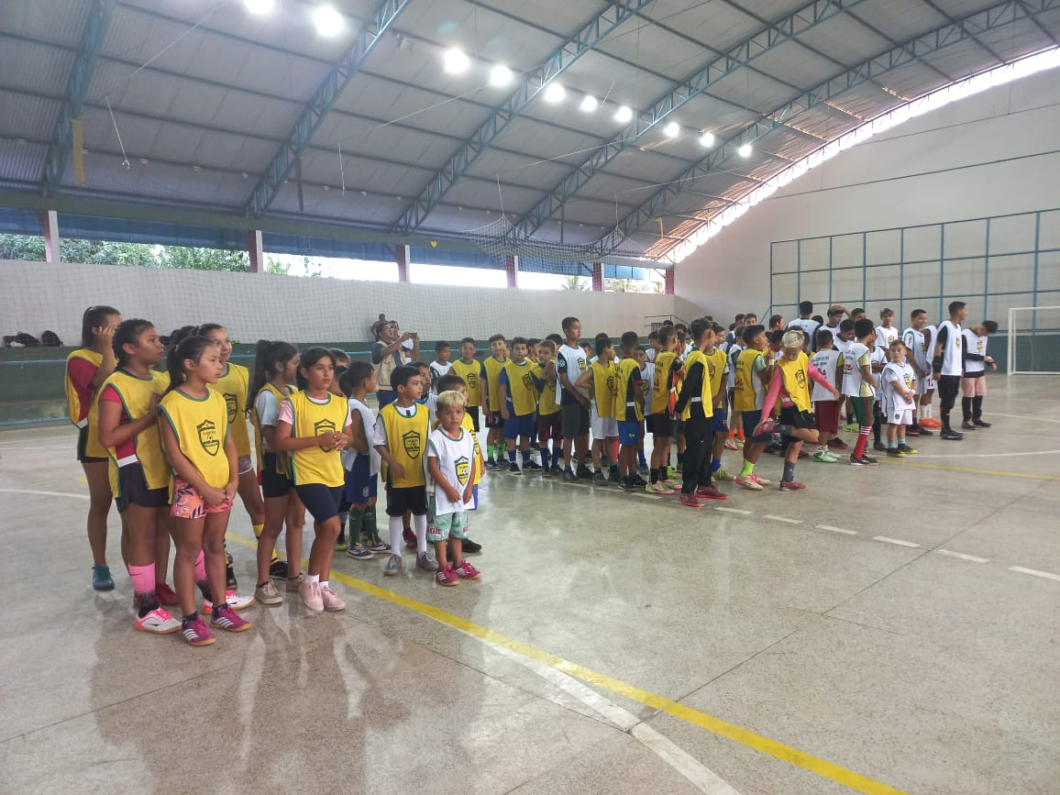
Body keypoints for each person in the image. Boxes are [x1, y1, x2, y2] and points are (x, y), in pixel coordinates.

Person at [159, 335, 251, 645]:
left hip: (221, 486)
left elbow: (227, 442)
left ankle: (220, 608)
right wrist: (204, 488)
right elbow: (175, 457)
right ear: (189, 364)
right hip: (191, 488)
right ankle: (190, 617)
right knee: (188, 550)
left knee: (215, 546)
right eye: (212, 359)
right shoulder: (172, 403)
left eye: (220, 359)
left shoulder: (216, 399)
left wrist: (234, 480)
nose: (220, 364)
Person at [96, 319, 180, 635]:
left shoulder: (161, 379)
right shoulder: (115, 385)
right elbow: (107, 437)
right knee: (142, 535)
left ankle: (158, 584)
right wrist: (149, 417)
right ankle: (146, 605)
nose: (160, 344)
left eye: (159, 339)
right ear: (130, 348)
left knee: (163, 531)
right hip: (134, 468)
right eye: (151, 339)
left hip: (164, 468)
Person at [275, 348, 351, 614]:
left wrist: (343, 439)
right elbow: (281, 441)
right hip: (307, 474)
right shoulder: (293, 403)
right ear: (305, 372)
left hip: (334, 474)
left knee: (324, 531)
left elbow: (350, 435)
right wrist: (318, 440)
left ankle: (323, 585)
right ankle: (309, 582)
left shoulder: (341, 403)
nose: (327, 373)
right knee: (332, 527)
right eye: (320, 368)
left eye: (330, 368)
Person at [198, 324, 263, 590]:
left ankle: (270, 559)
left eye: (227, 341)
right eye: (217, 342)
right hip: (210, 457)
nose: (225, 347)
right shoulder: (199, 376)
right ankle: (222, 560)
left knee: (256, 506)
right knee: (216, 515)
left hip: (240, 453)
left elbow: (250, 410)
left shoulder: (241, 373)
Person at [66, 305, 122, 590]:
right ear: (96, 330)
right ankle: (100, 566)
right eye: (114, 327)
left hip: (125, 438)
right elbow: (104, 381)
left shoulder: (121, 354)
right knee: (101, 503)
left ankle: (141, 568)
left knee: (131, 508)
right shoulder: (79, 358)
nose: (118, 331)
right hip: (95, 440)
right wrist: (108, 347)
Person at [248, 340, 306, 606]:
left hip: (295, 463)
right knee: (273, 525)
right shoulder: (267, 395)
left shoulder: (293, 391)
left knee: (297, 520)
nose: (299, 367)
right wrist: (307, 442)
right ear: (280, 366)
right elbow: (274, 439)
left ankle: (294, 575)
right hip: (275, 466)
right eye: (295, 363)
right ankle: (263, 582)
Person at [756, 330, 839, 490]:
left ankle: (786, 480)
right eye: (787, 352)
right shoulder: (780, 368)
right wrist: (764, 417)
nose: (790, 356)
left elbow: (814, 374)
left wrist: (830, 388)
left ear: (801, 348)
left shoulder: (803, 357)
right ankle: (774, 427)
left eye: (794, 353)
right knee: (814, 435)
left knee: (796, 445)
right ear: (782, 347)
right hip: (792, 408)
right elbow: (772, 394)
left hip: (803, 405)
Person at [374, 365, 433, 576]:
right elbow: (378, 442)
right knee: (395, 514)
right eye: (415, 383)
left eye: (421, 383)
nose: (421, 386)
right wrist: (392, 462)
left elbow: (430, 443)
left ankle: (422, 552)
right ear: (401, 388)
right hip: (398, 477)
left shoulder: (424, 412)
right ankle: (396, 555)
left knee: (421, 512)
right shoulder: (387, 413)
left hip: (419, 474)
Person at [426, 390, 482, 587]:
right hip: (442, 497)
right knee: (440, 534)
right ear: (439, 414)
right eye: (448, 412)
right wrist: (448, 489)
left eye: (458, 412)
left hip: (462, 496)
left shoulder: (467, 437)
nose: (454, 417)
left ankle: (458, 564)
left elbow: (472, 462)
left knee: (457, 532)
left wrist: (469, 488)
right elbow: (432, 467)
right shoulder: (436, 438)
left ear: (464, 413)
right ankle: (443, 567)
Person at [673, 318, 726, 506]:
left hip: (706, 411)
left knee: (706, 450)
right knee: (695, 452)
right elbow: (689, 385)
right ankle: (687, 490)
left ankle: (704, 484)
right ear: (709, 334)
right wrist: (678, 408)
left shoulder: (698, 356)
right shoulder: (696, 357)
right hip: (696, 412)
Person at [434, 373, 484, 555]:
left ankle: (461, 537)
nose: (467, 394)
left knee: (463, 506)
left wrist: (481, 460)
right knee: (449, 510)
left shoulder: (466, 417)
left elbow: (473, 441)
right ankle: (448, 542)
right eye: (462, 392)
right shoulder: (440, 425)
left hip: (468, 472)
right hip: (452, 476)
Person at [732, 324, 775, 490]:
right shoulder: (757, 356)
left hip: (745, 401)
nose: (766, 339)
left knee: (750, 439)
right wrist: (771, 360)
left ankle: (748, 472)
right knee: (763, 439)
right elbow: (765, 378)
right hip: (755, 402)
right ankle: (745, 473)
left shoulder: (743, 354)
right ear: (756, 340)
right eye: (763, 336)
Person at [575, 336, 619, 485]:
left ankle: (613, 469)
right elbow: (579, 382)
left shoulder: (614, 365)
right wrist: (594, 386)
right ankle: (597, 471)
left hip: (612, 407)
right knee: (599, 439)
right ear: (606, 350)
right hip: (599, 408)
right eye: (612, 349)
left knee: (612, 438)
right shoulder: (594, 367)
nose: (614, 352)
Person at [498, 337, 542, 474]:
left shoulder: (532, 366)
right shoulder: (507, 369)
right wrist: (503, 408)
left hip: (528, 407)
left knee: (525, 435)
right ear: (512, 351)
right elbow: (502, 390)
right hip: (513, 407)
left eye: (523, 348)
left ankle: (527, 461)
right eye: (517, 349)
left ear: (527, 350)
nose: (520, 351)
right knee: (512, 437)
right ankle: (512, 462)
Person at [556, 317, 592, 482]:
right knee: (569, 434)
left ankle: (581, 465)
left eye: (580, 327)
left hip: (583, 398)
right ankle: (567, 468)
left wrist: (587, 395)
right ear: (566, 331)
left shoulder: (581, 351)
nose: (579, 330)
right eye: (575, 328)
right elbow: (564, 379)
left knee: (582, 433)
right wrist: (578, 396)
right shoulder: (563, 352)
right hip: (571, 398)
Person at [647, 326, 681, 493]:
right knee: (661, 443)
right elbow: (686, 375)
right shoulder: (673, 358)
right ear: (675, 340)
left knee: (666, 441)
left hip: (662, 404)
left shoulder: (660, 355)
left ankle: (664, 476)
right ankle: (653, 480)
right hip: (665, 405)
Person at [842, 318, 880, 465]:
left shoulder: (851, 347)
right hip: (862, 391)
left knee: (864, 423)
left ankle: (860, 453)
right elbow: (865, 372)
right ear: (871, 333)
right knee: (868, 423)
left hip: (852, 390)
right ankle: (857, 455)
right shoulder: (863, 350)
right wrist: (875, 384)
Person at [613, 331, 646, 491]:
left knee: (633, 444)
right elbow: (637, 389)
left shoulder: (620, 363)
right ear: (637, 345)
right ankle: (622, 477)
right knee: (627, 445)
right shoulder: (633, 365)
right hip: (629, 410)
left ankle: (632, 474)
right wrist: (643, 402)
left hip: (623, 409)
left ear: (622, 346)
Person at [704, 323, 735, 483]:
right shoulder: (697, 355)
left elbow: (724, 379)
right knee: (706, 438)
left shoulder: (722, 355)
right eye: (719, 335)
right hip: (702, 404)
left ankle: (715, 467)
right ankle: (704, 469)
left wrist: (718, 397)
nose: (722, 338)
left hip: (717, 403)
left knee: (722, 434)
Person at [932, 300, 968, 441]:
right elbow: (938, 347)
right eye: (965, 310)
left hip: (955, 371)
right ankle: (944, 430)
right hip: (946, 371)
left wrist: (960, 367)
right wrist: (937, 367)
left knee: (951, 401)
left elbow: (957, 350)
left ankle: (947, 428)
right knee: (946, 401)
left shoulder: (958, 327)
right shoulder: (946, 326)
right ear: (958, 311)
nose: (966, 313)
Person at [809, 328, 844, 463]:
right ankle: (819, 451)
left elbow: (811, 379)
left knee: (822, 422)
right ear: (832, 342)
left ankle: (824, 448)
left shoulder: (813, 357)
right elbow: (840, 374)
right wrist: (841, 391)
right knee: (826, 424)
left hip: (818, 394)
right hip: (831, 394)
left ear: (818, 343)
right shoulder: (838, 355)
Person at [879, 340, 918, 457]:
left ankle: (901, 444)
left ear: (905, 351)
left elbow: (913, 381)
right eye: (893, 350)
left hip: (906, 401)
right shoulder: (889, 368)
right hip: (895, 401)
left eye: (899, 350)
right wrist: (906, 395)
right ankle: (891, 447)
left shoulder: (908, 367)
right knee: (893, 423)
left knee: (903, 423)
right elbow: (895, 383)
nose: (896, 353)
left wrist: (912, 392)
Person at [371, 316, 418, 409]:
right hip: (386, 389)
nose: (391, 330)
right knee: (388, 412)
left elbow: (414, 356)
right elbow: (384, 352)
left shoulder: (398, 346)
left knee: (402, 411)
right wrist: (400, 340)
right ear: (380, 333)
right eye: (388, 329)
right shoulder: (378, 346)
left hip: (400, 386)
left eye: (392, 328)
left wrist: (416, 343)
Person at [901, 309, 934, 438]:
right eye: (920, 318)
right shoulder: (909, 333)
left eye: (925, 318)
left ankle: (914, 423)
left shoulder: (920, 334)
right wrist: (917, 369)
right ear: (912, 319)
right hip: (912, 371)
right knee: (911, 398)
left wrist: (926, 366)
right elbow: (908, 352)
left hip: (920, 371)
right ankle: (908, 425)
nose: (923, 321)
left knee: (917, 397)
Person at [961, 320, 998, 429]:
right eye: (986, 332)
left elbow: (982, 352)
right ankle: (966, 420)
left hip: (980, 371)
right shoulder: (965, 334)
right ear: (982, 328)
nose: (986, 335)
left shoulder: (984, 337)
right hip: (968, 371)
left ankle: (976, 418)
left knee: (979, 395)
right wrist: (982, 358)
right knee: (968, 395)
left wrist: (990, 362)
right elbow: (963, 354)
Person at [535, 339, 563, 477]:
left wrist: (552, 373)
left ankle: (555, 464)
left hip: (557, 408)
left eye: (546, 353)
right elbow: (538, 389)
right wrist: (544, 375)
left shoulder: (558, 367)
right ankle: (545, 466)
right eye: (540, 352)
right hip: (543, 410)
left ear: (553, 354)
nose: (542, 355)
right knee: (543, 438)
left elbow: (561, 383)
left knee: (557, 437)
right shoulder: (534, 369)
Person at [481, 333, 509, 470]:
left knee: (503, 431)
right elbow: (482, 385)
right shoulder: (487, 363)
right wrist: (483, 404)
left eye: (499, 343)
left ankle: (501, 457)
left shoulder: (509, 363)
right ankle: (490, 458)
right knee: (493, 430)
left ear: (505, 345)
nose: (497, 347)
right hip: (492, 404)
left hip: (506, 404)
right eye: (494, 344)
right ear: (490, 348)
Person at [450, 337, 485, 432]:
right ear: (460, 350)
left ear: (474, 350)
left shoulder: (477, 364)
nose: (467, 351)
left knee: (473, 429)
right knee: (462, 427)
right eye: (465, 348)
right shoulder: (456, 365)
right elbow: (448, 381)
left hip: (474, 402)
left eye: (470, 348)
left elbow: (481, 383)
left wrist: (483, 399)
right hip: (461, 403)